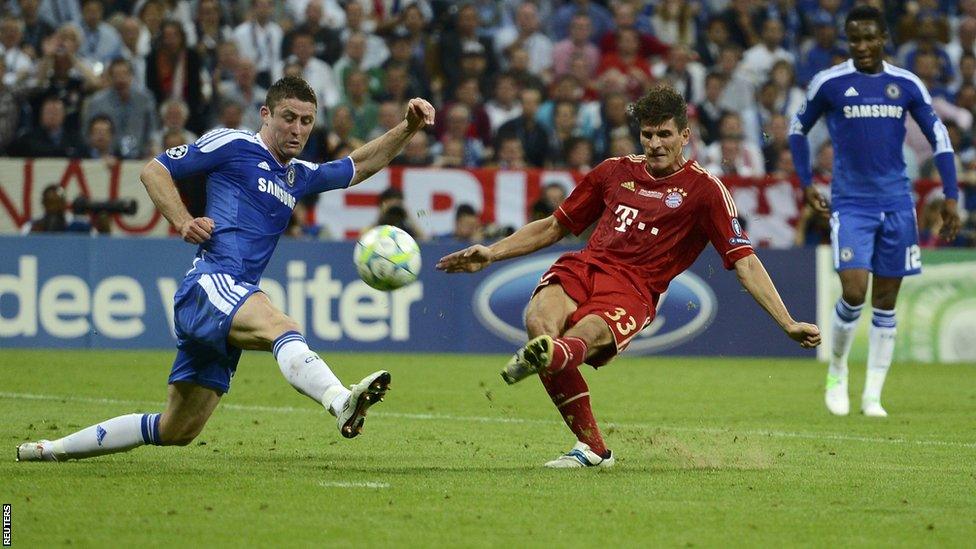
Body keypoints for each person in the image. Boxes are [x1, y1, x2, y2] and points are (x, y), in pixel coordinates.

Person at [17, 76, 436, 462]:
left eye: (307, 121)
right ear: (266, 115)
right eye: (289, 117)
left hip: (230, 302)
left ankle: (48, 450)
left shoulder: (298, 175)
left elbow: (358, 165)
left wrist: (408, 127)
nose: (298, 129)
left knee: (176, 429)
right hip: (211, 283)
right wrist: (182, 220)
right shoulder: (234, 144)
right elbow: (155, 170)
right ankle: (340, 400)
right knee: (280, 324)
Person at [437, 86, 820, 469]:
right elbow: (554, 227)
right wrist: (491, 253)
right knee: (538, 320)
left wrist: (786, 322)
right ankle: (592, 448)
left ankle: (556, 367)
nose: (654, 143)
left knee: (580, 336)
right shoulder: (613, 171)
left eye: (664, 134)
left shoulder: (706, 191)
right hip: (585, 266)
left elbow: (745, 262)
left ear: (685, 136)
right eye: (647, 134)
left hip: (634, 289)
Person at [788, 6, 962, 419]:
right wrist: (806, 182)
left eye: (869, 38)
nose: (862, 46)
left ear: (884, 38)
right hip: (850, 203)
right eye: (855, 39)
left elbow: (939, 137)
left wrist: (951, 195)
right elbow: (797, 129)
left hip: (898, 204)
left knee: (886, 302)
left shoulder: (905, 83)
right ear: (848, 41)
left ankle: (872, 396)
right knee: (853, 291)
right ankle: (837, 371)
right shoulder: (830, 83)